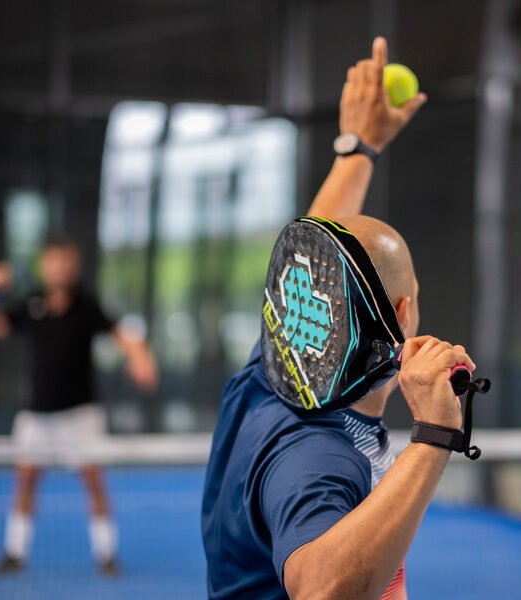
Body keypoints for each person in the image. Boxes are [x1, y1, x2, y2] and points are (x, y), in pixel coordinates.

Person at [202, 37, 476, 599]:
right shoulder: (317, 456)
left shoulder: (273, 375)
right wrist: (433, 437)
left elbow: (312, 257)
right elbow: (321, 589)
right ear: (403, 311)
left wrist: (359, 147)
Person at [0, 236, 158, 575]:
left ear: (73, 265)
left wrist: (140, 357)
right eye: (54, 260)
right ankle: (15, 552)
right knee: (26, 480)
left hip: (81, 415)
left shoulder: (87, 305)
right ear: (44, 264)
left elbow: (123, 335)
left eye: (67, 261)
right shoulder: (28, 303)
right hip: (36, 415)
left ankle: (106, 553)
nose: (61, 267)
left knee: (93, 481)